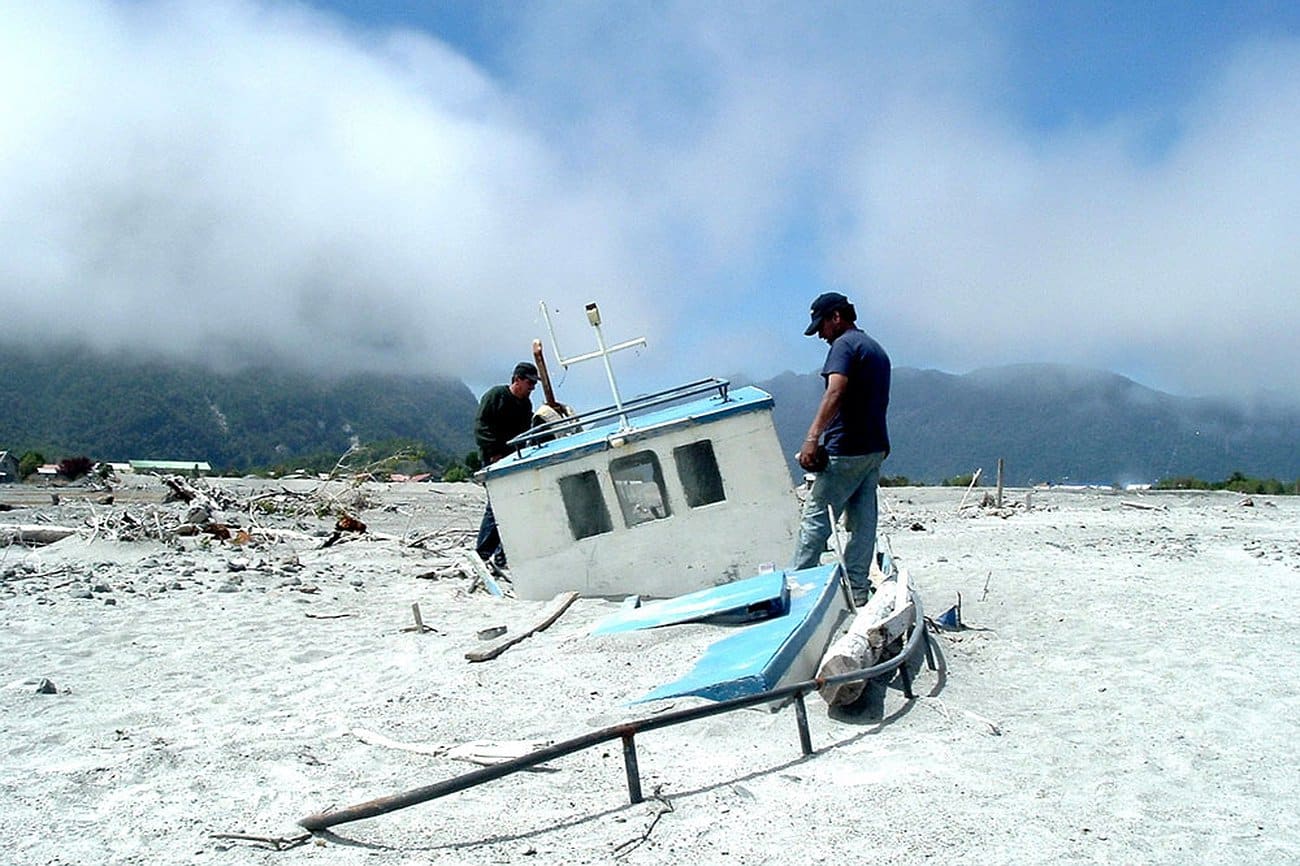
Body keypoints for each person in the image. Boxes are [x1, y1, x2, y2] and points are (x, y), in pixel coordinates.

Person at [790, 292, 891, 606]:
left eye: (822, 325)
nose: (820, 334)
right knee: (863, 523)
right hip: (874, 447)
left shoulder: (843, 346)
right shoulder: (875, 348)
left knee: (817, 515)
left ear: (837, 317)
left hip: (846, 448)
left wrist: (811, 438)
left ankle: (801, 586)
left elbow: (836, 390)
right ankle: (858, 590)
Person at [474, 361, 539, 569]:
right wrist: (494, 452)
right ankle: (483, 553)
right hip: (493, 458)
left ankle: (502, 554)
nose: (532, 387)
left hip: (514, 459)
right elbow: (481, 426)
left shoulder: (526, 405)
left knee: (515, 505)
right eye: (529, 382)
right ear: (517, 379)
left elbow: (525, 433)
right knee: (497, 504)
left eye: (534, 383)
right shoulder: (496, 396)